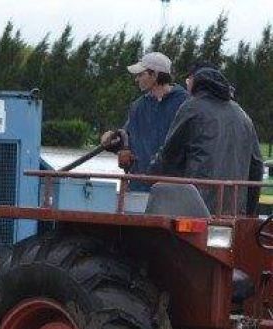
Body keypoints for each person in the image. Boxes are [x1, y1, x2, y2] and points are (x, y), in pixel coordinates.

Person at [152, 66, 264, 214]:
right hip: (235, 211)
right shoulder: (242, 115)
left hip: (198, 207)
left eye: (188, 82)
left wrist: (149, 174)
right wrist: (250, 213)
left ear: (197, 85)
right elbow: (256, 166)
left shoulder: (192, 107)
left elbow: (170, 155)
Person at [100, 51, 187, 192]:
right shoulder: (138, 106)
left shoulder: (185, 104)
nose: (136, 79)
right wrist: (110, 141)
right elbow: (126, 138)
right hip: (138, 187)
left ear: (155, 75)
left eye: (141, 74)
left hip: (173, 189)